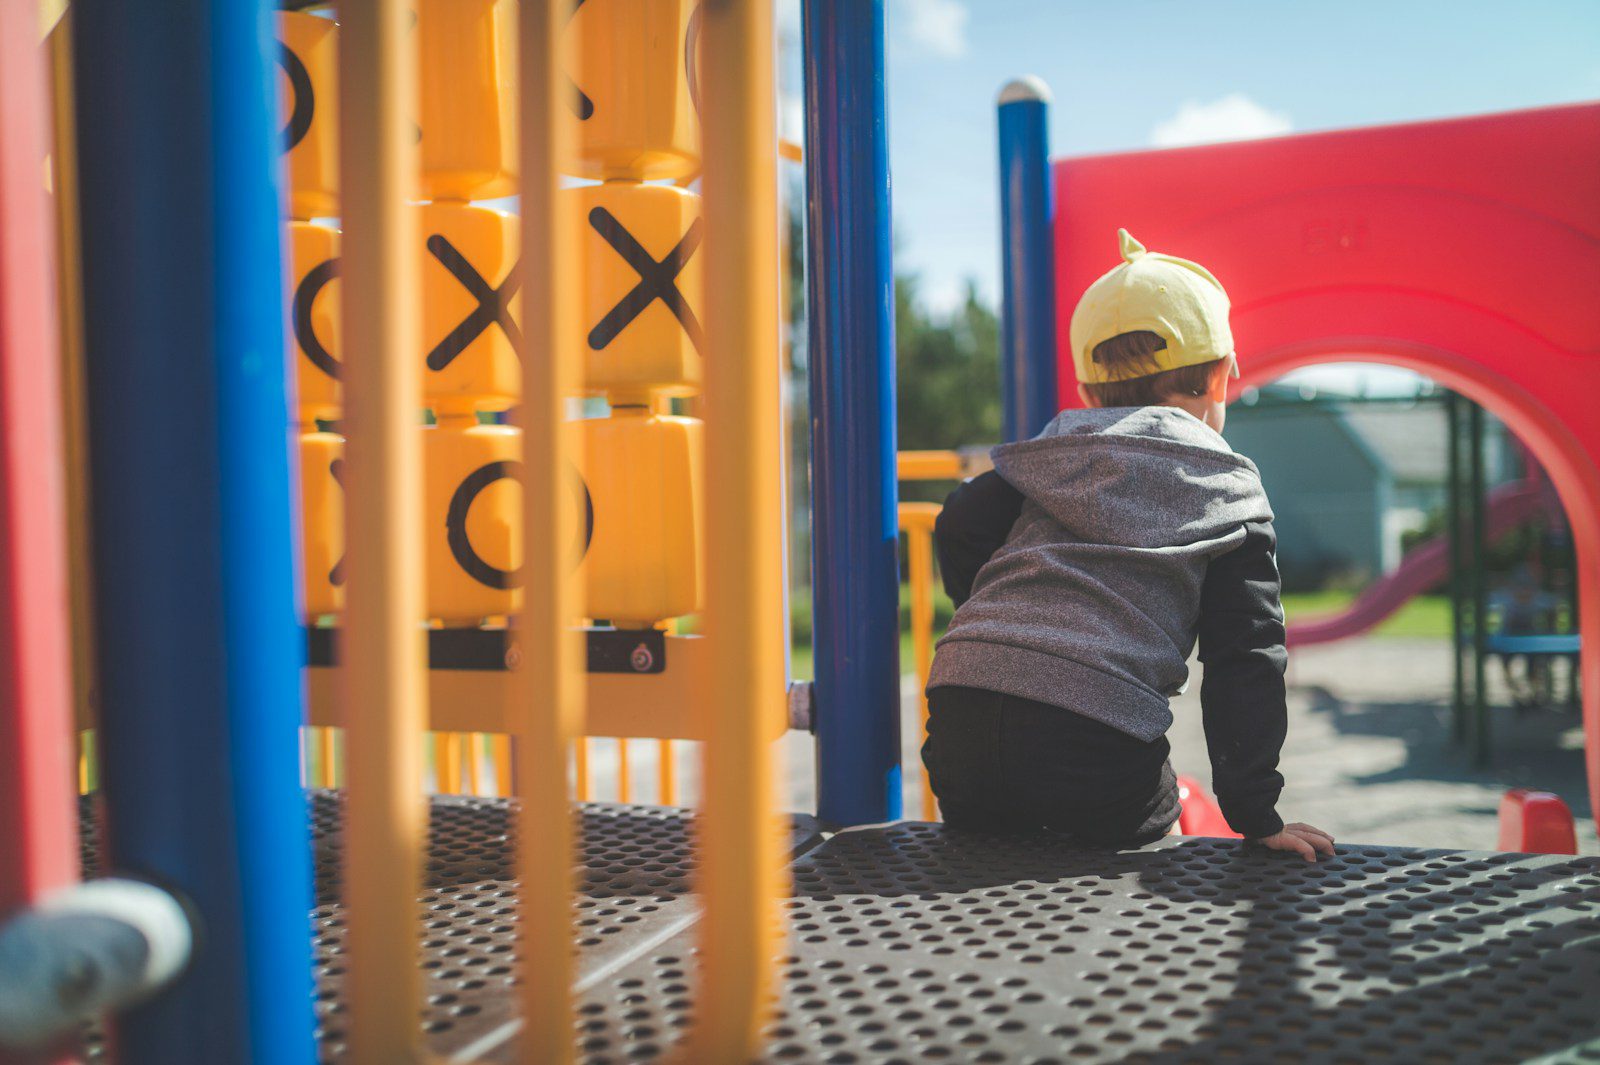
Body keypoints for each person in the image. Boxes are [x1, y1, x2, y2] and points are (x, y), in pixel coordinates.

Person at [924, 229, 1334, 861]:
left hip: (960, 720)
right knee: (1155, 822)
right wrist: (1257, 812)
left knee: (992, 843)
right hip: (1093, 738)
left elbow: (957, 522)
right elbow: (1245, 656)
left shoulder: (1044, 460)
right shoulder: (1226, 489)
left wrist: (991, 616)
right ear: (1223, 378)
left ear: (1088, 392)